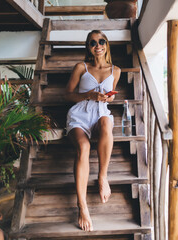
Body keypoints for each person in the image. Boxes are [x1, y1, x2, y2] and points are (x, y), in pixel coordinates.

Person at [64, 30, 121, 232]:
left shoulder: (116, 70)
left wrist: (108, 98)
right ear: (88, 47)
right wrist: (88, 95)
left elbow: (110, 96)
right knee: (84, 146)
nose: (98, 45)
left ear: (107, 44)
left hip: (99, 115)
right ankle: (82, 206)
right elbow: (68, 95)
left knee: (107, 122)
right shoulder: (81, 67)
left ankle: (102, 177)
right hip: (80, 115)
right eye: (93, 42)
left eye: (101, 41)